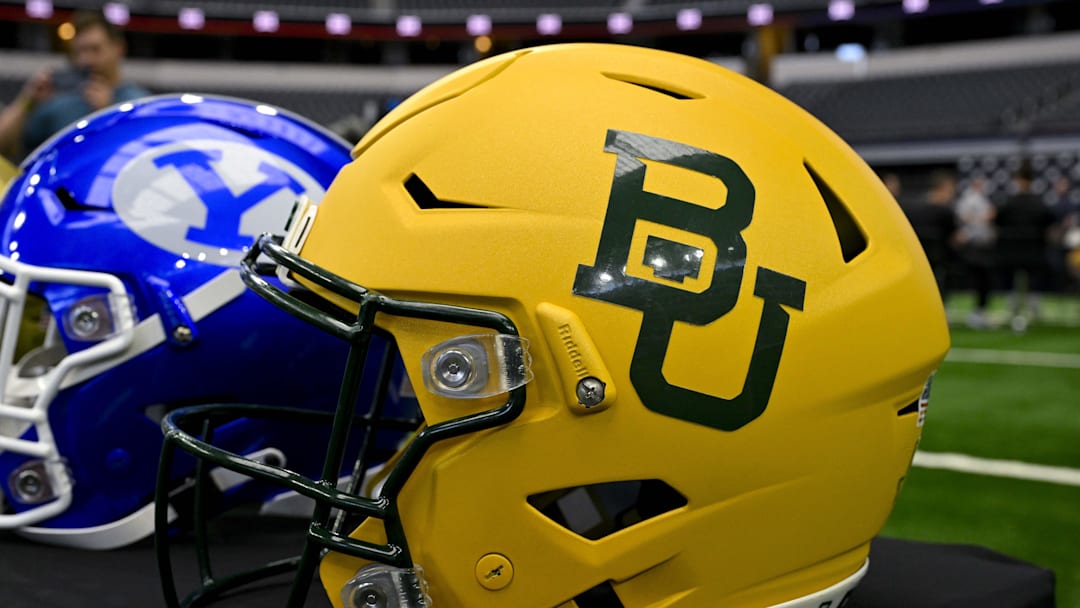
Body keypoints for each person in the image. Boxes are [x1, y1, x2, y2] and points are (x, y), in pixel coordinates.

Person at [0, 10, 148, 160]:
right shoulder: (59, 101)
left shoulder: (138, 103)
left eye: (95, 49)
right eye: (80, 51)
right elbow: (5, 146)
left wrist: (105, 114)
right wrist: (27, 101)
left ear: (119, 48)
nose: (86, 60)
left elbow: (140, 159)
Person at [995, 162, 1055, 332]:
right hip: (1033, 253)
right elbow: (1050, 224)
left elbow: (997, 222)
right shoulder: (1039, 204)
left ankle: (1014, 308)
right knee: (1034, 275)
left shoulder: (1008, 203)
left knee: (1012, 276)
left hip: (1011, 253)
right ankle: (1032, 308)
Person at [905, 170, 959, 301]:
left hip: (916, 258)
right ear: (944, 188)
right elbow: (956, 238)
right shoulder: (945, 211)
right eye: (950, 191)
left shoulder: (912, 207)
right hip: (939, 259)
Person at [954, 176, 996, 328]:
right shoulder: (969, 200)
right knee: (979, 278)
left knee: (983, 279)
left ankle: (979, 311)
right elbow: (965, 219)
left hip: (982, 245)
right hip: (973, 246)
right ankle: (977, 312)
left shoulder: (982, 200)